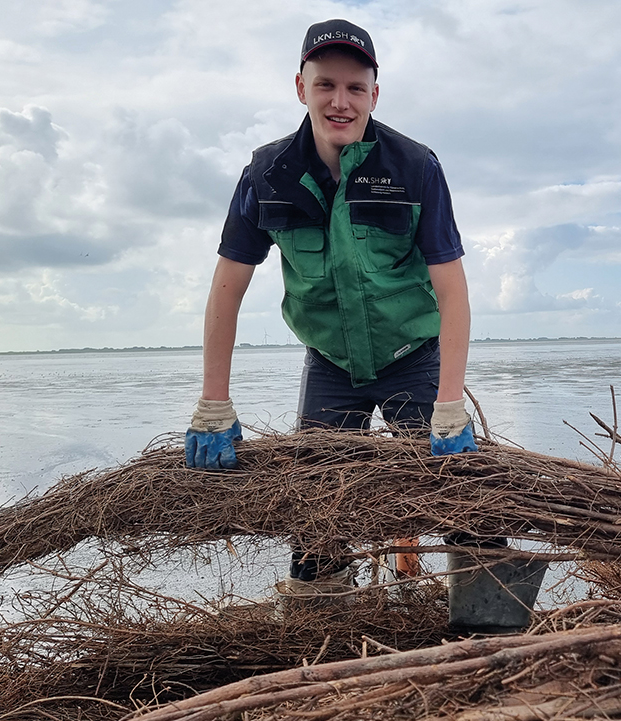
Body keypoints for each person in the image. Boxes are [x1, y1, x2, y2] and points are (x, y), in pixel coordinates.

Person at [183, 18, 477, 595]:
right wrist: (213, 402)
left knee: (470, 503)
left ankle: (493, 634)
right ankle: (323, 652)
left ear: (374, 93)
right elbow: (227, 288)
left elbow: (452, 289)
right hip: (331, 367)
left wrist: (450, 403)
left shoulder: (415, 167)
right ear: (300, 87)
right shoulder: (268, 174)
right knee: (316, 521)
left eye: (355, 88)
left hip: (414, 359)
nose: (340, 101)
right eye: (325, 86)